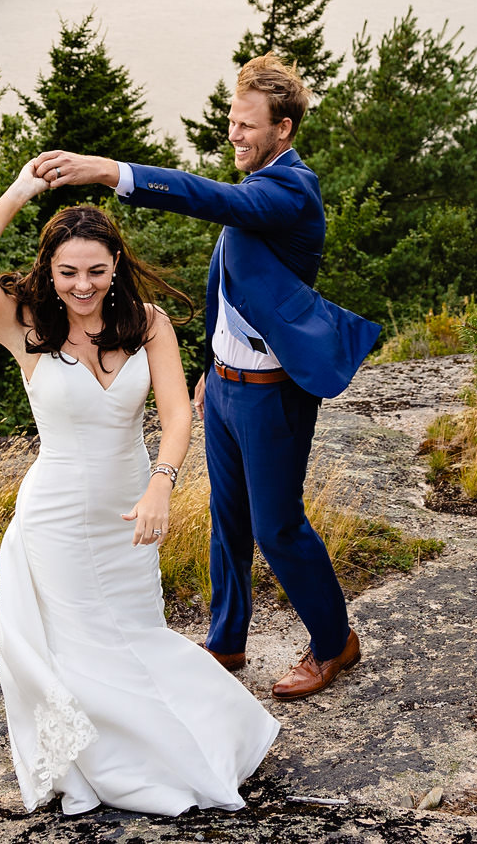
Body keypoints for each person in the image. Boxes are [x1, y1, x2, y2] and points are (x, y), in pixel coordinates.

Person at [32, 53, 380, 701]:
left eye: (247, 125)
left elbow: (209, 198)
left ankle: (336, 642)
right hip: (224, 387)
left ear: (284, 129)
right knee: (227, 517)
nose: (234, 135)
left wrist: (113, 172)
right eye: (230, 120)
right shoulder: (258, 184)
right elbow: (231, 284)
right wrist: (209, 369)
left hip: (271, 394)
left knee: (277, 527)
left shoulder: (288, 191)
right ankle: (226, 640)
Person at [0, 179, 278, 816]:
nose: (81, 285)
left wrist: (163, 482)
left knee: (136, 634)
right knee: (80, 648)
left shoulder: (147, 324)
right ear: (49, 268)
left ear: (117, 264)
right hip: (56, 518)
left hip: (131, 508)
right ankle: (105, 764)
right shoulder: (26, 327)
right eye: (67, 271)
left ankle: (185, 741)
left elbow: (177, 415)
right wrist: (20, 190)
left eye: (96, 270)